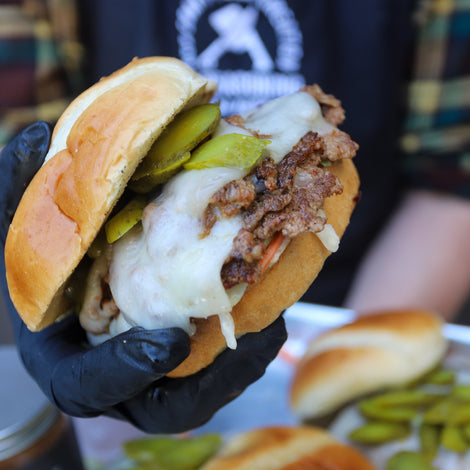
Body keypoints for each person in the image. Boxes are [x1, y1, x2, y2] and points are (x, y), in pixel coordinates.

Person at [0, 0, 469, 430]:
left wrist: (352, 366)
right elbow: (37, 178)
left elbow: (451, 178)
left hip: (375, 286)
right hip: (137, 297)